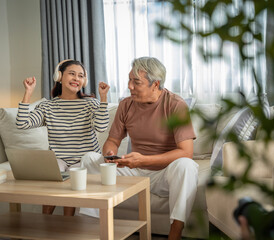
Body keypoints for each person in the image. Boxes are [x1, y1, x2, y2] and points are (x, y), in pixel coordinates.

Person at [80, 57, 199, 239]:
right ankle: (91, 227)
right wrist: (109, 154)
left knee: (186, 166)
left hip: (164, 175)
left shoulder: (175, 104)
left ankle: (175, 231)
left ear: (155, 84)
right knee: (88, 158)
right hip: (133, 171)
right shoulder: (126, 105)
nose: (130, 86)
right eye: (129, 80)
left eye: (136, 82)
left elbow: (186, 152)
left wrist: (143, 160)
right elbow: (112, 140)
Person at [16, 59, 110, 216]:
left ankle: (68, 225)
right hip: (59, 159)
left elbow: (101, 127)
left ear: (84, 81)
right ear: (59, 76)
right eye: (71, 74)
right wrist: (28, 93)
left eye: (80, 76)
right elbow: (22, 124)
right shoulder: (48, 106)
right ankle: (44, 223)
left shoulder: (90, 104)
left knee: (75, 174)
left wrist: (104, 99)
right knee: (53, 172)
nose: (76, 79)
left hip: (84, 159)